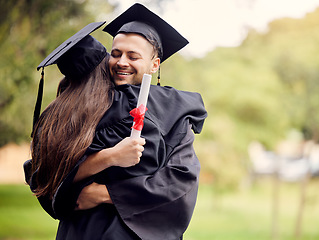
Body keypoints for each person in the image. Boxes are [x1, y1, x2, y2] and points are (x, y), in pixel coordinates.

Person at [25, 3, 207, 240]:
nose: (122, 62)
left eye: (133, 56)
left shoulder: (172, 115)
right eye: (116, 53)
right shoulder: (81, 111)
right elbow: (47, 181)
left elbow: (179, 182)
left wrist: (105, 193)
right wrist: (108, 157)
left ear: (155, 64)